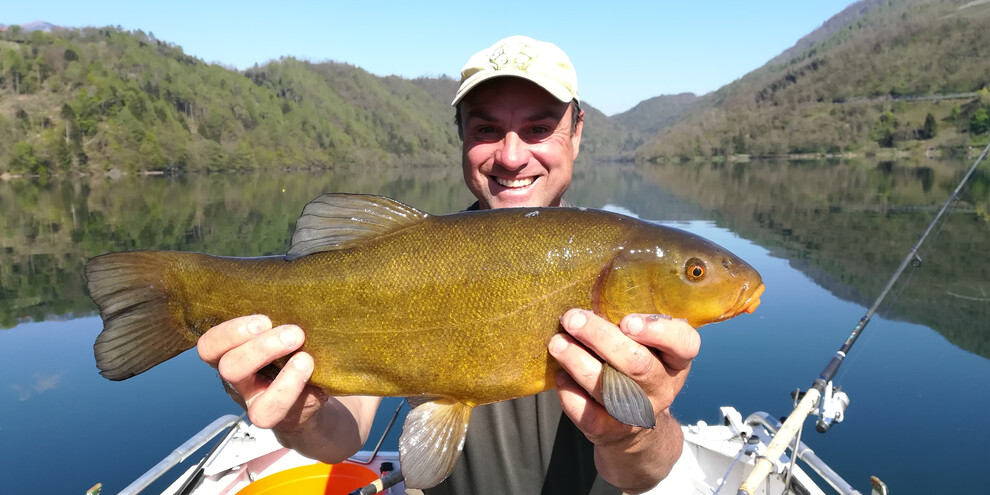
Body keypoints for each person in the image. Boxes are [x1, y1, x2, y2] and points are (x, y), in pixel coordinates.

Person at [196, 35, 700, 495]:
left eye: (538, 128)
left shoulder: (625, 272)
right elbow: (341, 433)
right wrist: (299, 416)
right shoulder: (404, 260)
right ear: (461, 134)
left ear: (577, 129)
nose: (512, 156)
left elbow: (643, 474)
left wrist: (633, 435)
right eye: (487, 129)